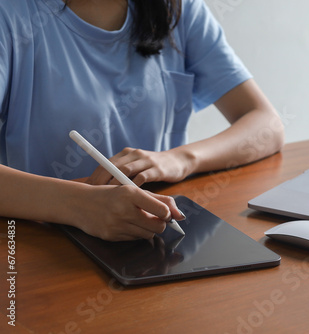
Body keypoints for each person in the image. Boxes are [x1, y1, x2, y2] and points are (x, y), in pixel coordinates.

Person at [0, 0, 284, 241]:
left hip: (155, 234)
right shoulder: (11, 15)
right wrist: (78, 205)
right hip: (43, 243)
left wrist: (181, 159)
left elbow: (267, 125)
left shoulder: (177, 8)